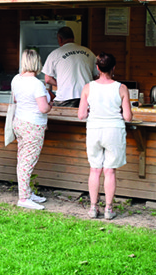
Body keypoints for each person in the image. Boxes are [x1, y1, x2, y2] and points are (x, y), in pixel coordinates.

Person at [78, 52, 132, 221]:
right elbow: (128, 117)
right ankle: (108, 209)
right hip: (114, 130)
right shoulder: (121, 88)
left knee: (95, 169)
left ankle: (93, 208)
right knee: (109, 171)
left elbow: (81, 115)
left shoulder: (88, 87)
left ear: (97, 68)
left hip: (94, 129)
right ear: (113, 68)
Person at [11, 49, 52, 210]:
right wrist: (50, 105)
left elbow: (15, 98)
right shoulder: (37, 84)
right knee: (27, 162)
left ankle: (27, 192)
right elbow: (43, 108)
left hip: (19, 122)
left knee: (23, 158)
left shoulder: (16, 79)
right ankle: (23, 198)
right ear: (37, 63)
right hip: (33, 125)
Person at [42, 26, 96, 107]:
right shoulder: (88, 52)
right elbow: (97, 75)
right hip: (86, 97)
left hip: (65, 98)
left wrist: (62, 84)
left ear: (59, 39)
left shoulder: (55, 54)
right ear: (73, 38)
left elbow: (48, 79)